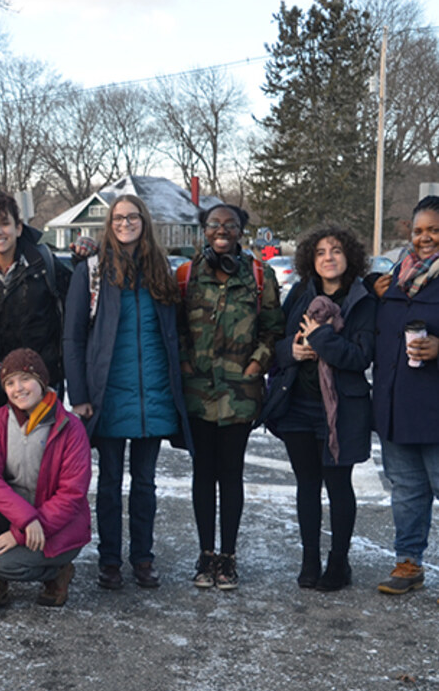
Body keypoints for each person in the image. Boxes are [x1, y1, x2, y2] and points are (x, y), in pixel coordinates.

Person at [64, 195, 190, 590]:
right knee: (109, 483)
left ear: (144, 222)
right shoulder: (92, 272)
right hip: (107, 394)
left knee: (146, 484)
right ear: (109, 223)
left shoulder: (163, 271)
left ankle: (143, 558)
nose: (125, 223)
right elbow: (73, 336)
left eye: (132, 217)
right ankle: (110, 560)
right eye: (118, 218)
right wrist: (79, 393)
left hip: (153, 392)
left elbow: (175, 333)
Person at [258, 226, 373, 592]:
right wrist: (291, 352)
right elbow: (277, 343)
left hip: (340, 410)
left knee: (338, 485)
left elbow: (359, 357)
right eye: (321, 251)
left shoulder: (362, 299)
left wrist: (320, 338)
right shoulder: (299, 294)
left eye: (336, 250)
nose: (328, 257)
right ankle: (310, 560)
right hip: (297, 405)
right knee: (306, 484)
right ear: (311, 258)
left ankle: (339, 564)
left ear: (349, 257)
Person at [178, 204, 282, 590]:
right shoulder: (186, 275)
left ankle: (229, 557)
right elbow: (175, 329)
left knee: (232, 474)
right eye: (214, 224)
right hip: (198, 392)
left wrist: (257, 364)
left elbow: (273, 330)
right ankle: (206, 554)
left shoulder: (259, 275)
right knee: (203, 474)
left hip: (240, 393)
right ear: (204, 230)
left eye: (230, 225)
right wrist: (186, 363)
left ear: (241, 232)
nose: (222, 230)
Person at [0, 348, 92, 614]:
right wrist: (26, 520)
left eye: (25, 379)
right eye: (10, 383)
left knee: (1, 562)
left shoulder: (70, 428)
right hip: (23, 517)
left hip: (57, 525)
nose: (18, 388)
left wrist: (22, 531)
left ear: (42, 382)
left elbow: (72, 494)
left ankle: (58, 571)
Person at [370, 195, 439, 595]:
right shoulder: (394, 278)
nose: (424, 237)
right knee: (408, 492)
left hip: (434, 408)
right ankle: (408, 562)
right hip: (396, 406)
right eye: (418, 230)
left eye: (433, 230)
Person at [0, 187, 68, 387]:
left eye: (5, 223)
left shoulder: (43, 263)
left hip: (44, 380)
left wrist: (82, 257)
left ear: (18, 228)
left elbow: (74, 305)